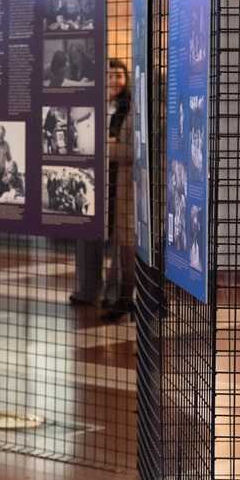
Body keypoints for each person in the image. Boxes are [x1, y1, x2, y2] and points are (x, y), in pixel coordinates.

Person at [101, 59, 135, 320]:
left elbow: (128, 150)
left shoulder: (129, 108)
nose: (114, 81)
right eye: (109, 75)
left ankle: (124, 298)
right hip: (109, 181)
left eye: (119, 76)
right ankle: (115, 294)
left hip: (123, 183)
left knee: (126, 244)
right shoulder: (101, 105)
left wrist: (104, 145)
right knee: (117, 242)